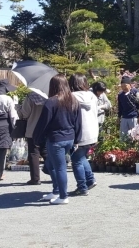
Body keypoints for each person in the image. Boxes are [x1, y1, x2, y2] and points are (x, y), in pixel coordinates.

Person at [33, 74, 82, 205]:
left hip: (56, 139)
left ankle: (63, 195)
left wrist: (36, 138)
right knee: (51, 165)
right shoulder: (73, 100)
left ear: (53, 86)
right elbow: (78, 122)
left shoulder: (51, 102)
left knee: (59, 168)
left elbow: (43, 122)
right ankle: (56, 191)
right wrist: (77, 139)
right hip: (70, 137)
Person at [69, 74, 98, 196]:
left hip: (79, 132)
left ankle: (82, 186)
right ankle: (90, 180)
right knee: (82, 157)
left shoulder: (71, 97)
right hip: (92, 131)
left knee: (76, 160)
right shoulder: (92, 96)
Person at [19, 91, 48, 185]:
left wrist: (18, 109)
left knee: (33, 153)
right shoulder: (51, 95)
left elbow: (24, 113)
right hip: (48, 129)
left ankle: (35, 179)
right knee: (46, 151)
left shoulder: (31, 96)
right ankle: (54, 173)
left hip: (33, 128)